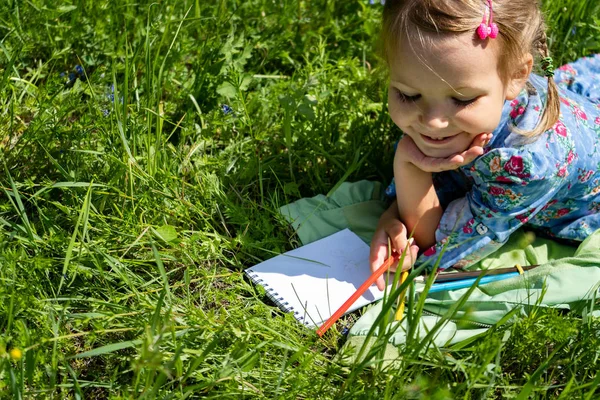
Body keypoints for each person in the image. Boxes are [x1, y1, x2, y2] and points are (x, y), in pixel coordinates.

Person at [369, 0, 600, 291]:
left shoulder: (528, 164)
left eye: (462, 100)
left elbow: (443, 242)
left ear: (517, 76)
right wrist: (391, 217)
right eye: (408, 95)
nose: (432, 122)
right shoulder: (471, 95)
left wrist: (408, 165)